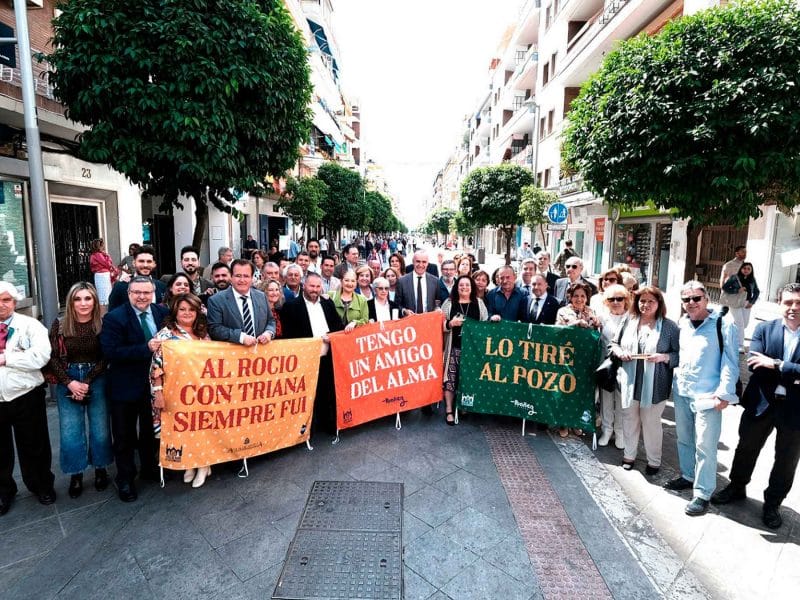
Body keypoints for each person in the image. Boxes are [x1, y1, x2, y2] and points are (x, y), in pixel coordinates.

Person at [711, 283, 800, 529]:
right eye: (789, 302)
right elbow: (753, 364)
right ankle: (737, 487)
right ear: (780, 303)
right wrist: (794, 374)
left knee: (786, 459)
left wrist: (777, 365)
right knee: (746, 449)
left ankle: (772, 504)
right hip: (761, 403)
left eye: (798, 303)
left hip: (795, 410)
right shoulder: (764, 328)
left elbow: (768, 366)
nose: (793, 308)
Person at [666, 281, 739, 517]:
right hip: (682, 391)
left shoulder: (722, 324)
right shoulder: (683, 323)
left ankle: (703, 493)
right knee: (685, 439)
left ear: (706, 299)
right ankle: (688, 476)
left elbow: (730, 361)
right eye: (686, 300)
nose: (691, 303)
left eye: (696, 298)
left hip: (709, 395)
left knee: (705, 446)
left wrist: (724, 394)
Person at [100, 276, 169, 502]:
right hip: (124, 387)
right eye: (137, 292)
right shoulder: (114, 318)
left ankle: (149, 469)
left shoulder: (160, 313)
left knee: (150, 431)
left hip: (154, 387)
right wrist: (145, 348)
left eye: (147, 293)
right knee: (124, 436)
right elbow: (111, 352)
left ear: (154, 294)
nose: (142, 297)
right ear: (128, 293)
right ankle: (125, 479)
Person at [47, 282, 112, 499]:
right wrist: (70, 383)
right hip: (68, 377)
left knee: (100, 427)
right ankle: (76, 474)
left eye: (88, 298)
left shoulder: (103, 323)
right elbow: (53, 357)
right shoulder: (60, 324)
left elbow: (106, 356)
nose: (83, 303)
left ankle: (101, 468)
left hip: (97, 376)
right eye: (78, 299)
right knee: (70, 430)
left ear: (94, 301)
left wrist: (89, 380)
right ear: (71, 302)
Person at [0, 282, 56, 514]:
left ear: (14, 302)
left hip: (27, 395)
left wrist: (7, 359)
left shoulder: (31, 325)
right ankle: (4, 492)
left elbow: (40, 357)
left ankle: (41, 486)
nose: (1, 305)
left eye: (5, 300)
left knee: (35, 445)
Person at [611, 287, 679, 473]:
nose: (646, 305)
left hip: (656, 384)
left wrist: (663, 357)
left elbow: (679, 355)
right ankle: (629, 455)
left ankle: (654, 460)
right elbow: (614, 344)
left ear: (659, 304)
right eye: (642, 301)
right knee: (629, 418)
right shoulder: (628, 320)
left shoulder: (669, 327)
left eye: (650, 301)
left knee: (651, 423)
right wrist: (620, 352)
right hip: (629, 381)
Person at [150, 293, 212, 488]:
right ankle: (189, 464)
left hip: (202, 393)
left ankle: (204, 465)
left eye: (191, 310)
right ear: (175, 311)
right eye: (182, 309)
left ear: (197, 312)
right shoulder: (165, 335)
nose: (186, 313)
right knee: (183, 430)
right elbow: (155, 366)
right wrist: (158, 392)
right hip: (175, 392)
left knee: (203, 429)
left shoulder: (203, 335)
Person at [441, 275, 488, 425]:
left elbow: (485, 325)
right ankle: (449, 409)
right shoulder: (449, 303)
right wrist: (450, 324)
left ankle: (463, 405)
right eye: (461, 285)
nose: (464, 287)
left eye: (467, 285)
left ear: (472, 287)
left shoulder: (479, 303)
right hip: (453, 347)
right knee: (450, 379)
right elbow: (439, 324)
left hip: (472, 351)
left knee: (467, 379)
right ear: (457, 286)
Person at [555, 281, 600, 438]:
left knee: (580, 391)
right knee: (565, 389)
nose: (579, 299)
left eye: (582, 296)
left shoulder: (592, 311)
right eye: (576, 296)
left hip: (585, 359)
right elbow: (558, 331)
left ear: (587, 297)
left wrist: (597, 324)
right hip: (566, 357)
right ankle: (563, 422)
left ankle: (575, 422)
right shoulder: (563, 311)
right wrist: (576, 323)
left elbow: (596, 333)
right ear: (570, 297)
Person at [207, 259, 276, 347]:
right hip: (233, 356)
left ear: (252, 278)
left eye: (246, 276)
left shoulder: (261, 296)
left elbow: (270, 321)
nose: (242, 280)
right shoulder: (216, 300)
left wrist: (269, 333)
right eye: (238, 276)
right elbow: (214, 329)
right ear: (231, 277)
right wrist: (241, 337)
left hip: (259, 355)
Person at [596, 284, 631, 448]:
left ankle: (620, 433)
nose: (616, 302)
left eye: (620, 298)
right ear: (606, 301)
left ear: (626, 300)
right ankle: (607, 430)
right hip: (607, 365)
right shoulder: (601, 318)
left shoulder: (633, 318)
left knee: (622, 401)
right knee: (606, 400)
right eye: (612, 299)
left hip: (626, 366)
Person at [107, 245, 167, 310]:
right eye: (141, 261)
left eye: (149, 261)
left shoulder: (162, 287)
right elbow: (112, 315)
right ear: (134, 263)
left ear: (154, 264)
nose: (145, 265)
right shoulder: (120, 287)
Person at [720, 262, 759, 352]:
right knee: (740, 324)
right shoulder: (734, 277)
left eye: (748, 269)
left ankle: (730, 329)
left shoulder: (752, 280)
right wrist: (737, 290)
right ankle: (740, 345)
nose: (746, 270)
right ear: (741, 269)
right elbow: (725, 288)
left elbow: (757, 291)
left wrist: (752, 302)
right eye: (744, 268)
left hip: (746, 303)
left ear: (751, 270)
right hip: (735, 303)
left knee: (744, 324)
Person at [395, 250, 440, 316]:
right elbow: (397, 304)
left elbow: (438, 302)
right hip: (409, 322)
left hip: (428, 321)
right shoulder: (402, 281)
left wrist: (437, 308)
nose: (420, 265)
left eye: (424, 262)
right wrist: (404, 311)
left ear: (427, 263)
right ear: (413, 262)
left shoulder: (435, 281)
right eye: (418, 261)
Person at [89, 238, 117, 307]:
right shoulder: (99, 255)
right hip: (103, 276)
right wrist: (108, 256)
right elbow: (107, 264)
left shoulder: (93, 255)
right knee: (105, 294)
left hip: (99, 275)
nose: (104, 247)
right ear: (99, 246)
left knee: (102, 294)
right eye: (102, 245)